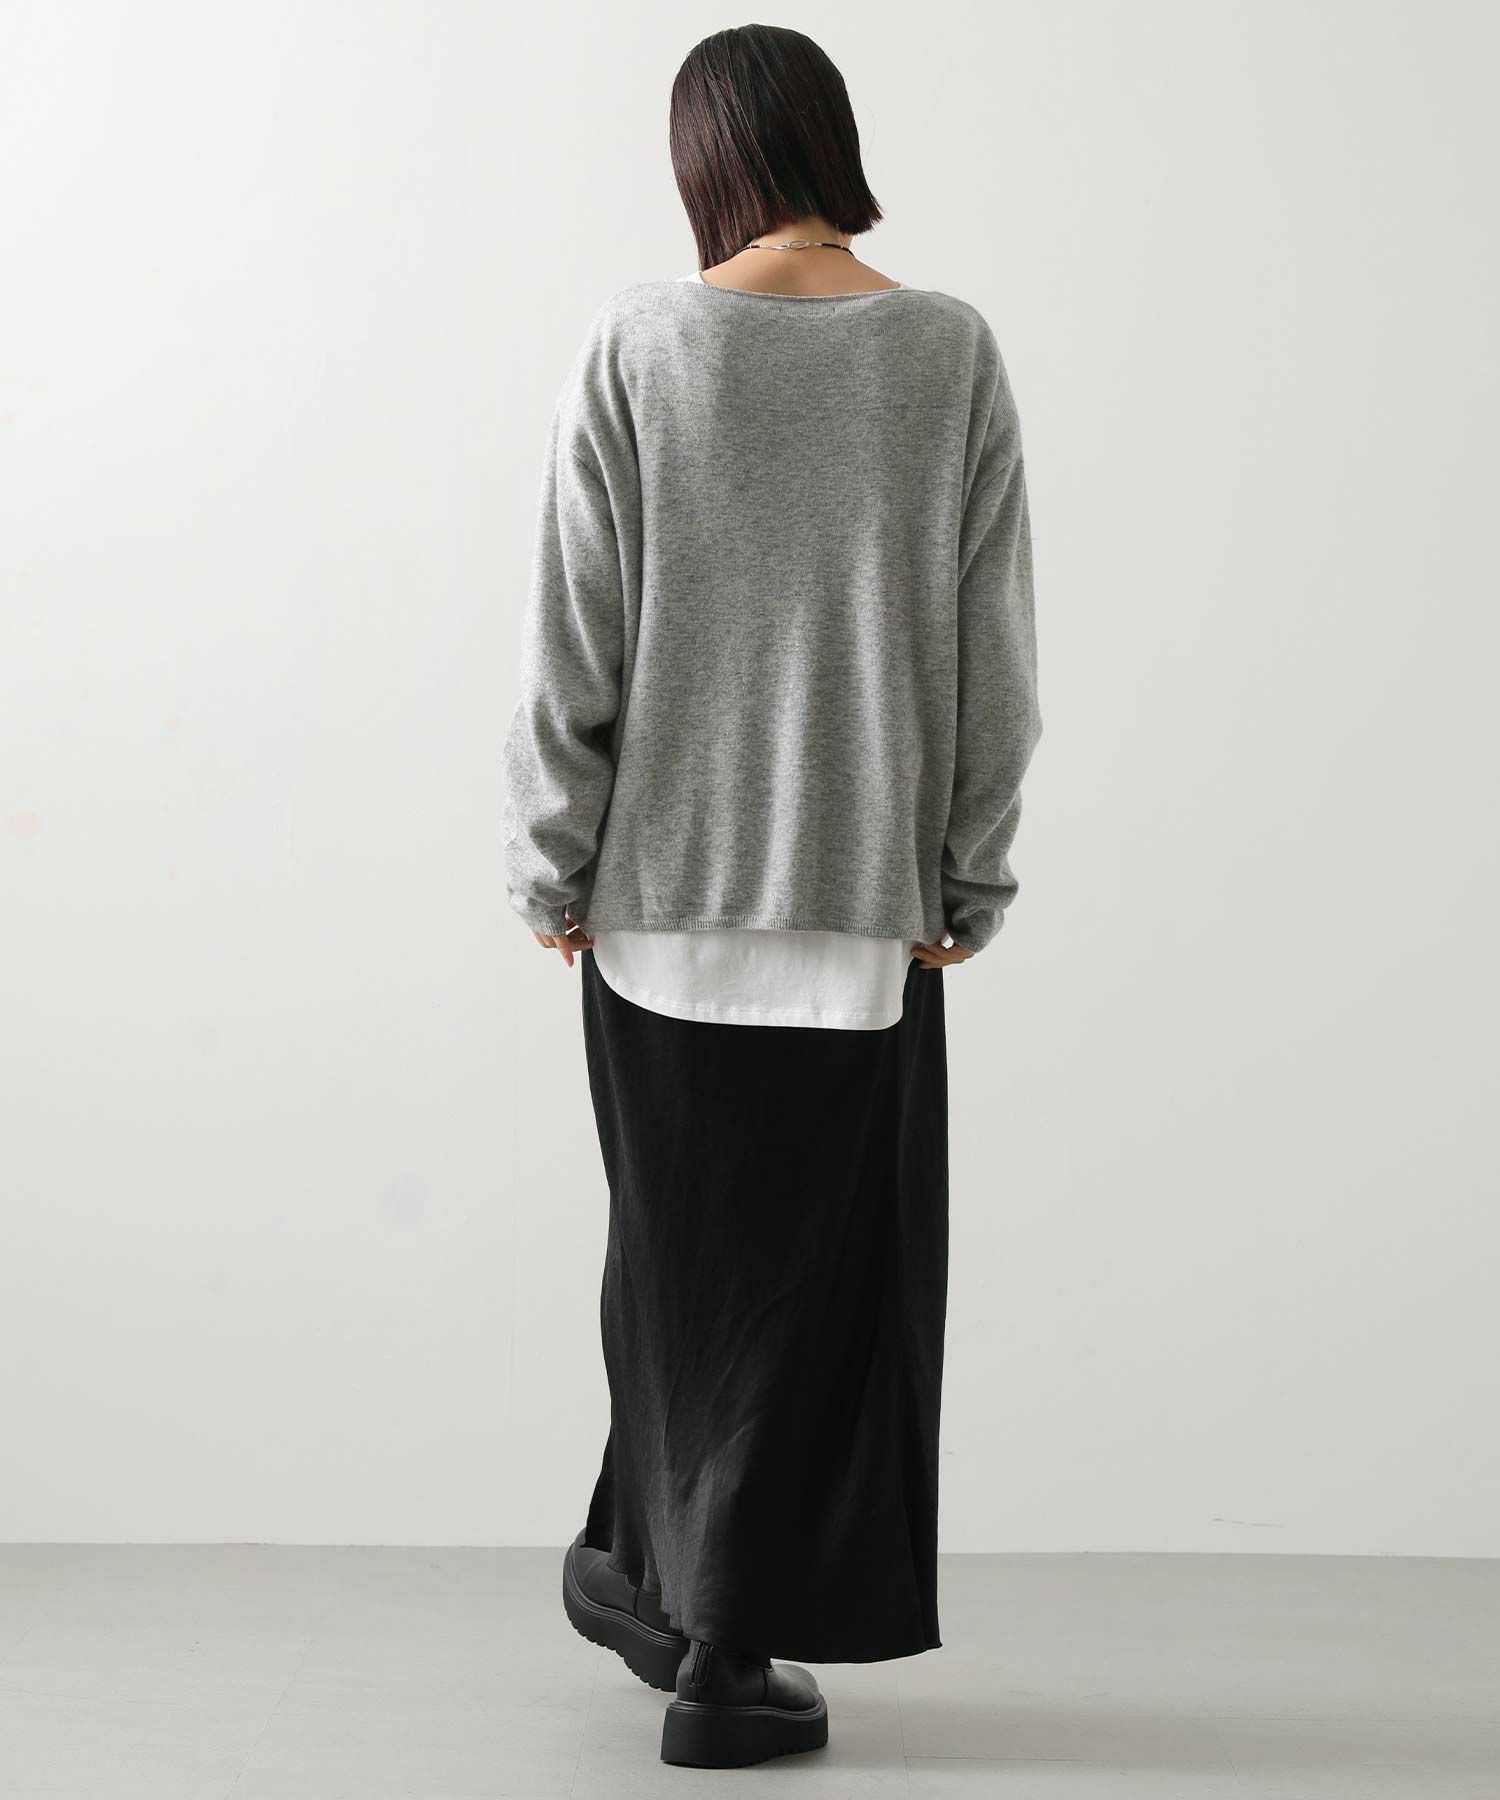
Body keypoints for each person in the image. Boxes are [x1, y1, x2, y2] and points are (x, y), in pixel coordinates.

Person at [502, 22, 1041, 1772]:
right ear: (832, 141)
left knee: (676, 1286)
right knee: (822, 1299)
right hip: (860, 915)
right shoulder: (946, 351)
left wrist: (551, 858)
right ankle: (696, 1626)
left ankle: (687, 1624)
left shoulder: (641, 342)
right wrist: (966, 868)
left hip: (658, 907)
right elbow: (993, 658)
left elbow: (574, 636)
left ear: (704, 161)